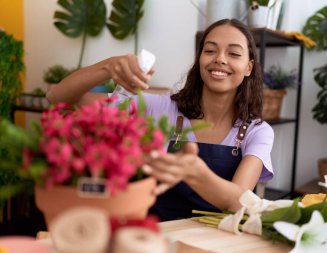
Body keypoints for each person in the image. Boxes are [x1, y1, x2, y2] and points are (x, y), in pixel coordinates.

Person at [47, 19, 274, 221]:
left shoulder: (257, 131)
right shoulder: (163, 107)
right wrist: (108, 67)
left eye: (234, 54)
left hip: (215, 242)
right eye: (210, 50)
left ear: (248, 67)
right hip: (154, 235)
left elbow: (239, 202)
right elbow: (58, 98)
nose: (220, 59)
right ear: (200, 59)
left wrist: (194, 171)